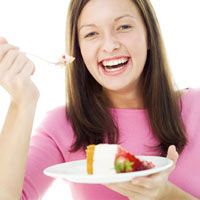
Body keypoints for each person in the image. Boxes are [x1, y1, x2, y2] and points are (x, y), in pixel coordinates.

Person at [0, 0, 199, 199]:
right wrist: (22, 102)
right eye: (91, 33)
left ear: (149, 35)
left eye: (124, 27)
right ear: (78, 49)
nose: (110, 46)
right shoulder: (62, 125)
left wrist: (167, 195)